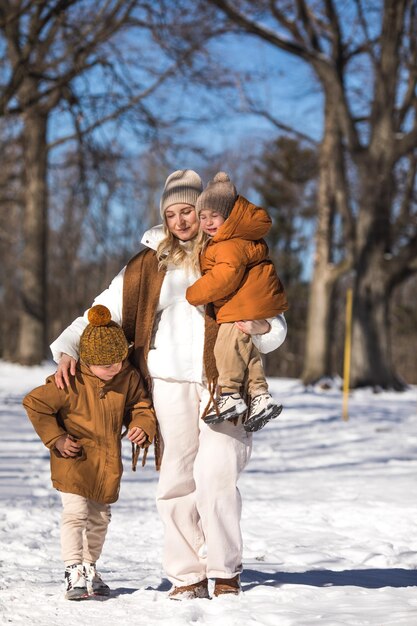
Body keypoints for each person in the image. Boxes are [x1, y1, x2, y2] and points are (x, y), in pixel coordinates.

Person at [49, 169, 287, 600]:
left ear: (203, 212)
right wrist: (68, 346)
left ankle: (225, 569)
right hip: (167, 381)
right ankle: (187, 575)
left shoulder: (232, 252)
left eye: (188, 211)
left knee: (217, 474)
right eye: (171, 213)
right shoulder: (147, 264)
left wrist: (264, 326)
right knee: (176, 477)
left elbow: (269, 310)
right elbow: (102, 309)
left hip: (222, 384)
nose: (180, 221)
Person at [23, 305, 156, 601]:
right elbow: (35, 404)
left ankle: (89, 566)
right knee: (76, 513)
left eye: (120, 360)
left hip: (106, 463)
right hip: (72, 459)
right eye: (107, 365)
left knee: (100, 518)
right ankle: (72, 570)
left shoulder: (127, 378)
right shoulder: (69, 380)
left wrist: (142, 425)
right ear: (88, 361)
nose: (117, 368)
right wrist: (56, 438)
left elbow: (141, 406)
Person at [186, 172, 288, 432]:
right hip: (252, 303)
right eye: (203, 217)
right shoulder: (238, 238)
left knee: (225, 347)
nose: (208, 222)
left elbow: (224, 276)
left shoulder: (228, 244)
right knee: (247, 350)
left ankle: (230, 394)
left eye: (214, 216)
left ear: (229, 216)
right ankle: (260, 395)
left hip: (241, 305)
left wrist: (193, 293)